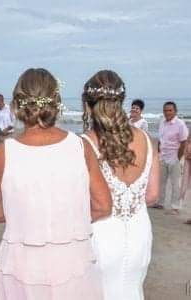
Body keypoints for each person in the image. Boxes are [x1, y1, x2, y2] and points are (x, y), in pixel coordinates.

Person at [0, 68, 112, 300]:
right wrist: (66, 219)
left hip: (23, 262)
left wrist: (31, 218)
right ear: (57, 103)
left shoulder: (2, 154)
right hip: (73, 260)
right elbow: (103, 205)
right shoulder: (80, 146)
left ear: (17, 104)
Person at [81, 70, 160, 300]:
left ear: (87, 106)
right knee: (132, 291)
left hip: (100, 235)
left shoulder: (84, 144)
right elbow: (152, 196)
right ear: (122, 102)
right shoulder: (147, 140)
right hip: (139, 233)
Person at [153, 101, 189, 214]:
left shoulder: (180, 124)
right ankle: (160, 203)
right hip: (163, 156)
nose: (167, 112)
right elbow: (161, 139)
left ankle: (175, 207)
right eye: (165, 110)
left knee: (175, 183)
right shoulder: (162, 122)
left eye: (169, 110)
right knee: (161, 181)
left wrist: (178, 158)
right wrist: (159, 152)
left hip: (175, 157)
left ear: (175, 111)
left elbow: (184, 142)